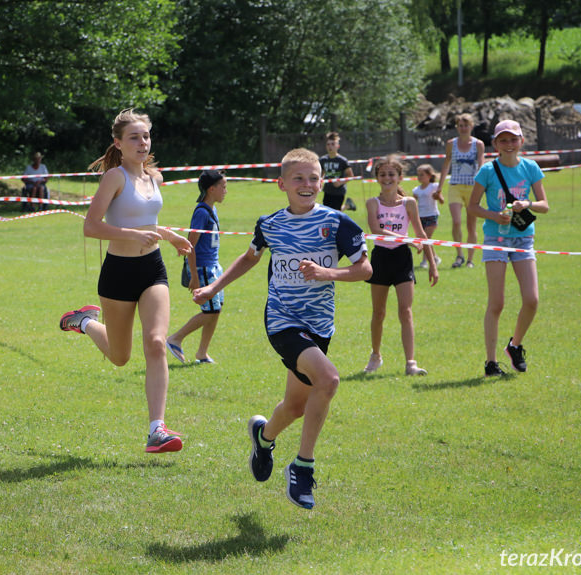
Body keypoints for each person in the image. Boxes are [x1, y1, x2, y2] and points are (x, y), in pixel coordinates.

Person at [194, 148, 372, 510]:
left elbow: (365, 270)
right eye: (299, 179)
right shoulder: (270, 223)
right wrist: (214, 288)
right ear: (282, 185)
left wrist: (328, 273)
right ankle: (302, 468)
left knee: (294, 407)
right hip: (282, 321)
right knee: (329, 379)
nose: (307, 185)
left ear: (322, 182)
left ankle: (264, 436)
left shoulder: (338, 223)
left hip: (320, 326)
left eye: (313, 178)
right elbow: (249, 257)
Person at [58, 109, 192, 453]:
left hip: (152, 270)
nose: (142, 142)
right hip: (118, 273)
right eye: (134, 137)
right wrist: (133, 234)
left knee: (157, 342)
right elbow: (91, 226)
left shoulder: (155, 177)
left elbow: (149, 222)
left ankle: (157, 429)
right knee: (120, 357)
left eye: (146, 136)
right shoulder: (114, 178)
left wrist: (172, 236)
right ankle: (85, 321)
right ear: (118, 143)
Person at [468, 119, 549, 377]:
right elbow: (472, 206)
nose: (509, 144)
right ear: (495, 144)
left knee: (532, 299)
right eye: (503, 140)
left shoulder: (531, 167)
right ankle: (491, 363)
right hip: (496, 240)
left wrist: (527, 204)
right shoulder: (488, 171)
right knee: (497, 302)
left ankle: (514, 345)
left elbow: (544, 204)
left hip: (523, 239)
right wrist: (494, 216)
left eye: (513, 139)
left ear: (521, 141)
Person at [363, 155, 439, 376]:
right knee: (378, 313)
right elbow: (375, 230)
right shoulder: (372, 203)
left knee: (405, 312)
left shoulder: (409, 203)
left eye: (391, 174)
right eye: (383, 174)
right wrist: (406, 239)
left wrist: (432, 264)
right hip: (380, 258)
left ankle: (411, 363)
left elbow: (421, 234)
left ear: (400, 177)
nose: (387, 178)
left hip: (402, 259)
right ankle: (375, 356)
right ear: (377, 178)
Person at [166, 170, 227, 365]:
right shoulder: (201, 212)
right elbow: (189, 246)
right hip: (203, 269)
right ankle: (175, 338)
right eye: (223, 187)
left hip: (214, 267)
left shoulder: (212, 209)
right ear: (211, 189)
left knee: (216, 310)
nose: (226, 191)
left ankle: (202, 353)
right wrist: (194, 275)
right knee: (210, 311)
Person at [435, 113, 485, 268]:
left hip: (472, 187)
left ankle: (470, 259)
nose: (463, 129)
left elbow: (481, 165)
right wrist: (439, 187)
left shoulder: (478, 144)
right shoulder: (451, 143)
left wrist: (482, 186)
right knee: (456, 222)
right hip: (455, 185)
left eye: (466, 125)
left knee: (471, 225)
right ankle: (459, 255)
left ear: (471, 126)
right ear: (457, 127)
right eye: (460, 126)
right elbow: (446, 164)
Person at [412, 163, 443, 269]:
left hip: (432, 215)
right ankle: (435, 258)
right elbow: (413, 204)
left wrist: (437, 196)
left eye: (422, 175)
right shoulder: (416, 190)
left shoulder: (434, 187)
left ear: (429, 176)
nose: (419, 177)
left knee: (426, 238)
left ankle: (425, 261)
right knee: (425, 239)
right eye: (418, 175)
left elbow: (442, 200)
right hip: (421, 217)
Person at [318, 132, 356, 211]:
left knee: (336, 213)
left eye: (332, 144)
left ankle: (347, 206)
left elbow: (351, 176)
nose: (330, 146)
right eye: (328, 144)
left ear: (337, 146)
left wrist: (340, 182)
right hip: (327, 190)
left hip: (339, 191)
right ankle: (348, 205)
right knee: (328, 212)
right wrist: (320, 181)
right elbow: (322, 173)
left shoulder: (342, 160)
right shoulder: (323, 160)